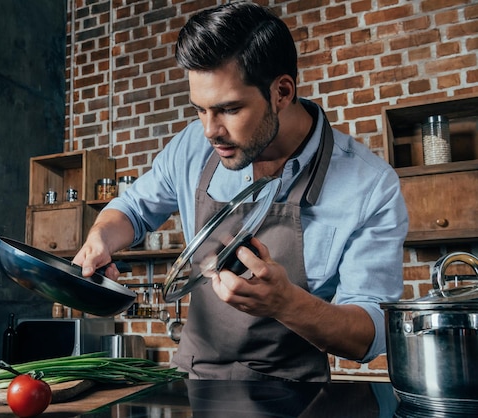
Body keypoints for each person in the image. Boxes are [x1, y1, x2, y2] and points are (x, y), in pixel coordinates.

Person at [73, 2, 408, 382]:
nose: (209, 131)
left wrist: (286, 303)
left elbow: (371, 334)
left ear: (281, 91)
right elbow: (132, 208)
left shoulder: (370, 185)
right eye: (200, 109)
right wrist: (101, 237)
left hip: (294, 395)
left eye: (229, 109)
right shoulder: (191, 149)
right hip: (193, 386)